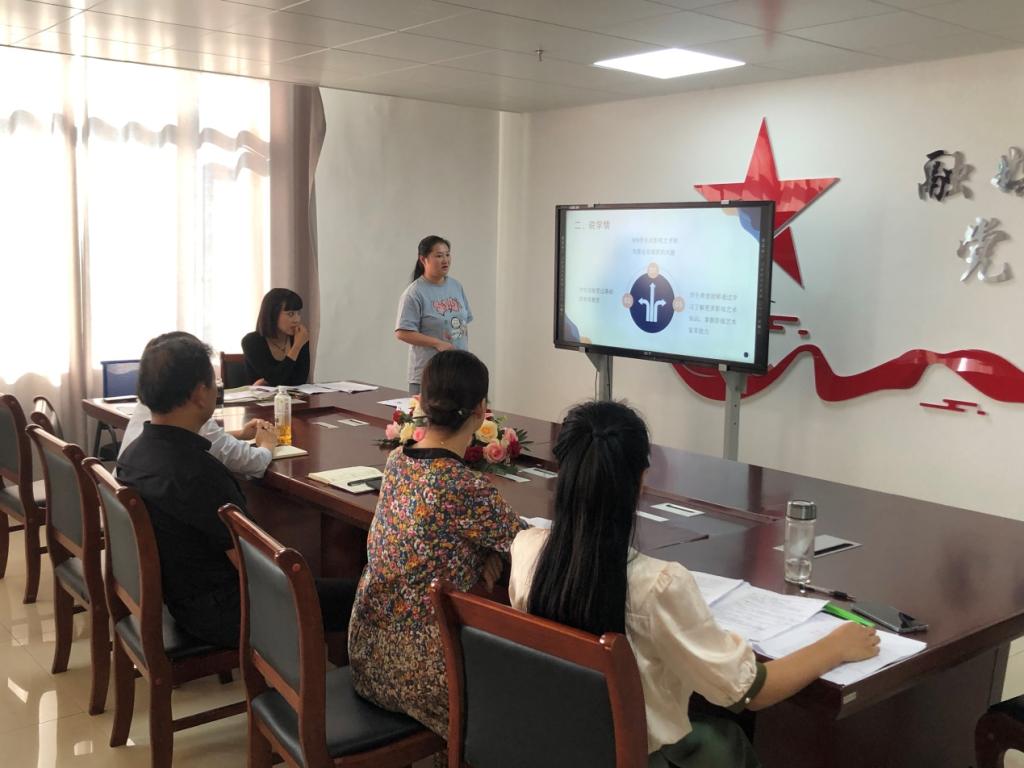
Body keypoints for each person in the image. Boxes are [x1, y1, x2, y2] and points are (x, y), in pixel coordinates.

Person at [509, 401, 880, 768]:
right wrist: (835, 646)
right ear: (641, 481)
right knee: (726, 739)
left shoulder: (526, 550)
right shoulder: (658, 586)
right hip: (638, 755)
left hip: (553, 745)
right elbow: (752, 691)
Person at [117, 332, 355, 649]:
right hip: (228, 612)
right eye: (213, 382)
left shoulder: (133, 456)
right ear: (200, 394)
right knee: (365, 595)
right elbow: (257, 568)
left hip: (183, 598)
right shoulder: (199, 473)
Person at [348, 350, 521, 736]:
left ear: (422, 404)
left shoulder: (398, 460)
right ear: (481, 411)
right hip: (420, 676)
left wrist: (482, 550)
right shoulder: (463, 485)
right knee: (529, 692)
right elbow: (522, 543)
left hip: (366, 656)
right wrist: (487, 551)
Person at [119, 397, 276, 479]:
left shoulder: (147, 408)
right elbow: (252, 462)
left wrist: (240, 434)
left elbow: (205, 439)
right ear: (201, 392)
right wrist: (267, 444)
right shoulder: (194, 413)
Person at [395, 235, 473, 394]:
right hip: (429, 375)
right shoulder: (414, 293)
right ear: (423, 259)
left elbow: (462, 324)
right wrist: (438, 343)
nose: (445, 260)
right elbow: (402, 332)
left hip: (458, 372)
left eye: (447, 254)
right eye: (439, 256)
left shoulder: (456, 286)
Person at [241, 288, 310, 386]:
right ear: (273, 314)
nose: (297, 320)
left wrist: (266, 381)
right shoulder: (251, 341)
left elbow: (300, 380)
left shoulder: (300, 338)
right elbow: (275, 379)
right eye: (290, 314)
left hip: (292, 395)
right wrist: (296, 347)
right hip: (260, 396)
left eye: (298, 313)